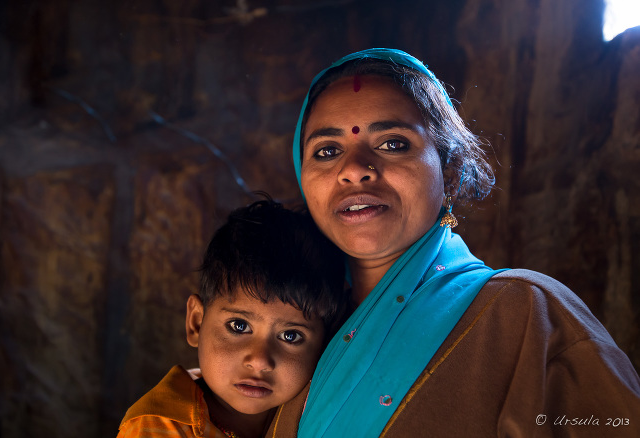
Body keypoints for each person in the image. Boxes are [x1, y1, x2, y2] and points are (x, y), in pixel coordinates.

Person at [264, 48, 640, 437]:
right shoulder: (289, 330)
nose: (355, 169)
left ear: (451, 169)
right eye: (327, 151)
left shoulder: (529, 315)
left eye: (393, 143)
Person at [117, 199, 347, 438]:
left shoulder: (315, 414)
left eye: (291, 336)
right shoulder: (159, 427)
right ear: (196, 322)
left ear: (324, 343)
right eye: (239, 326)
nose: (259, 361)